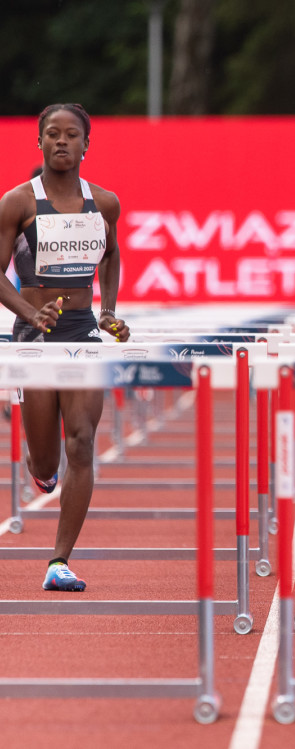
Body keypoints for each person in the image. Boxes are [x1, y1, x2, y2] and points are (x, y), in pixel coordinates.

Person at [0, 103, 130, 591]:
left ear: (85, 145)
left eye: (70, 135)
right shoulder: (17, 203)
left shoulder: (105, 203)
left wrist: (109, 309)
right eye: (51, 134)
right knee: (45, 461)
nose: (61, 141)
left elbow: (112, 254)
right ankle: (41, 473)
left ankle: (59, 560)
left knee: (82, 440)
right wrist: (29, 313)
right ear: (39, 143)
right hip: (33, 334)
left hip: (81, 331)